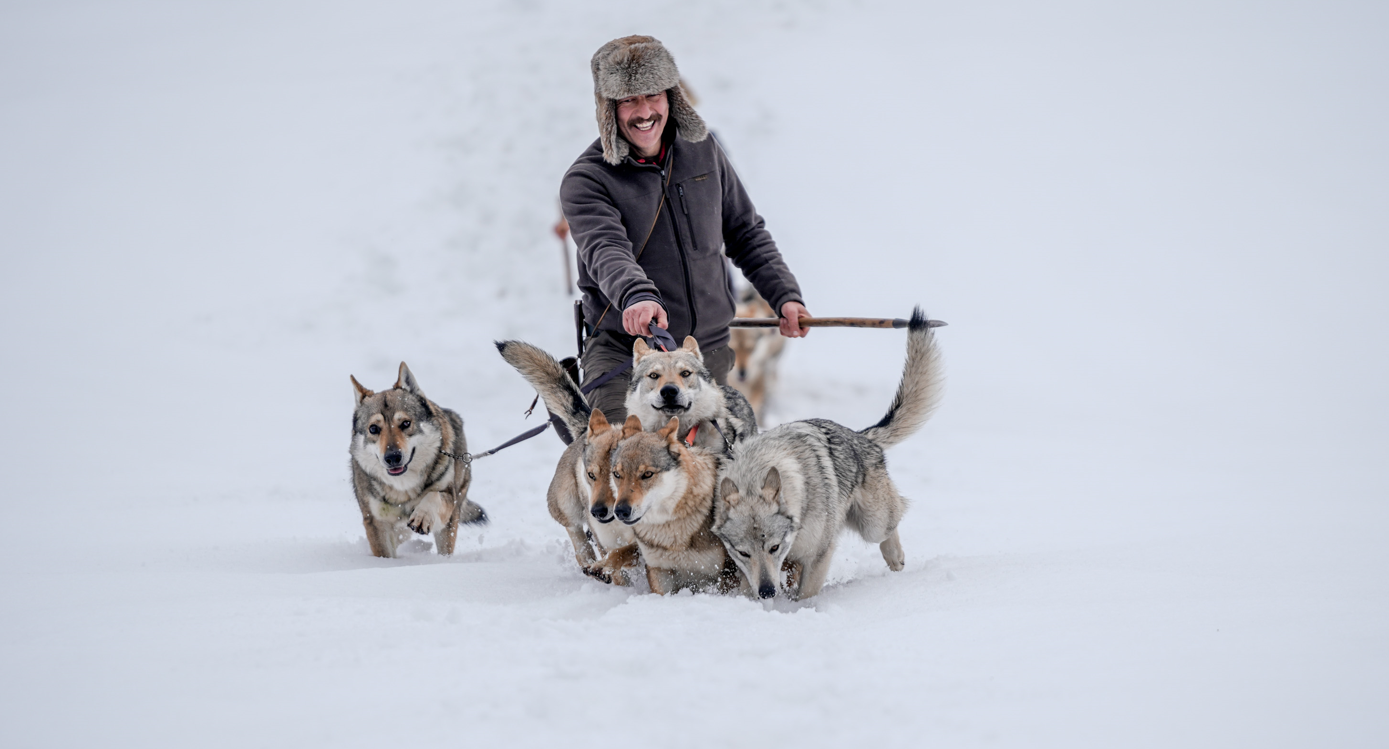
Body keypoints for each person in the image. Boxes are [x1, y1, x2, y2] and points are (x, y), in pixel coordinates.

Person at [561, 35, 810, 422]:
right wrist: (636, 296)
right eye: (628, 100)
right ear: (609, 109)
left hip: (705, 354)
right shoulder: (587, 180)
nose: (643, 111)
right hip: (629, 356)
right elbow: (606, 250)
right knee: (620, 460)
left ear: (671, 97)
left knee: (717, 474)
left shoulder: (704, 150)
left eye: (652, 96)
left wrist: (784, 295)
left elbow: (745, 231)